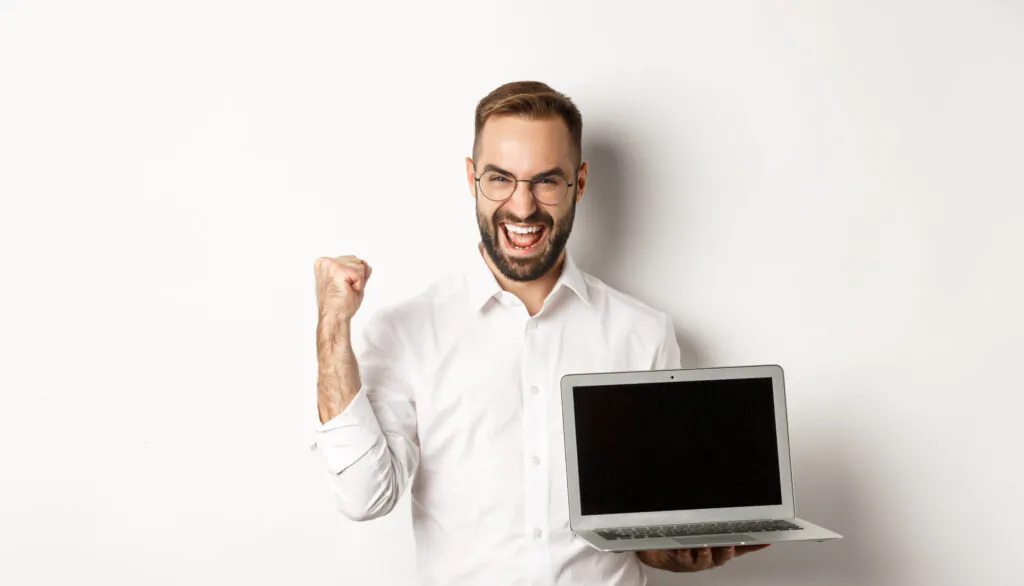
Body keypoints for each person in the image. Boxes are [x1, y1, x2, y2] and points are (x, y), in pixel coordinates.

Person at [309, 81, 769, 585]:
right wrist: (332, 327)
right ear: (471, 178)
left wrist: (669, 551)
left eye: (546, 182)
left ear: (580, 181)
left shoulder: (643, 335)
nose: (523, 208)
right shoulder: (407, 331)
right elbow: (363, 496)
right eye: (500, 179)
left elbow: (646, 528)